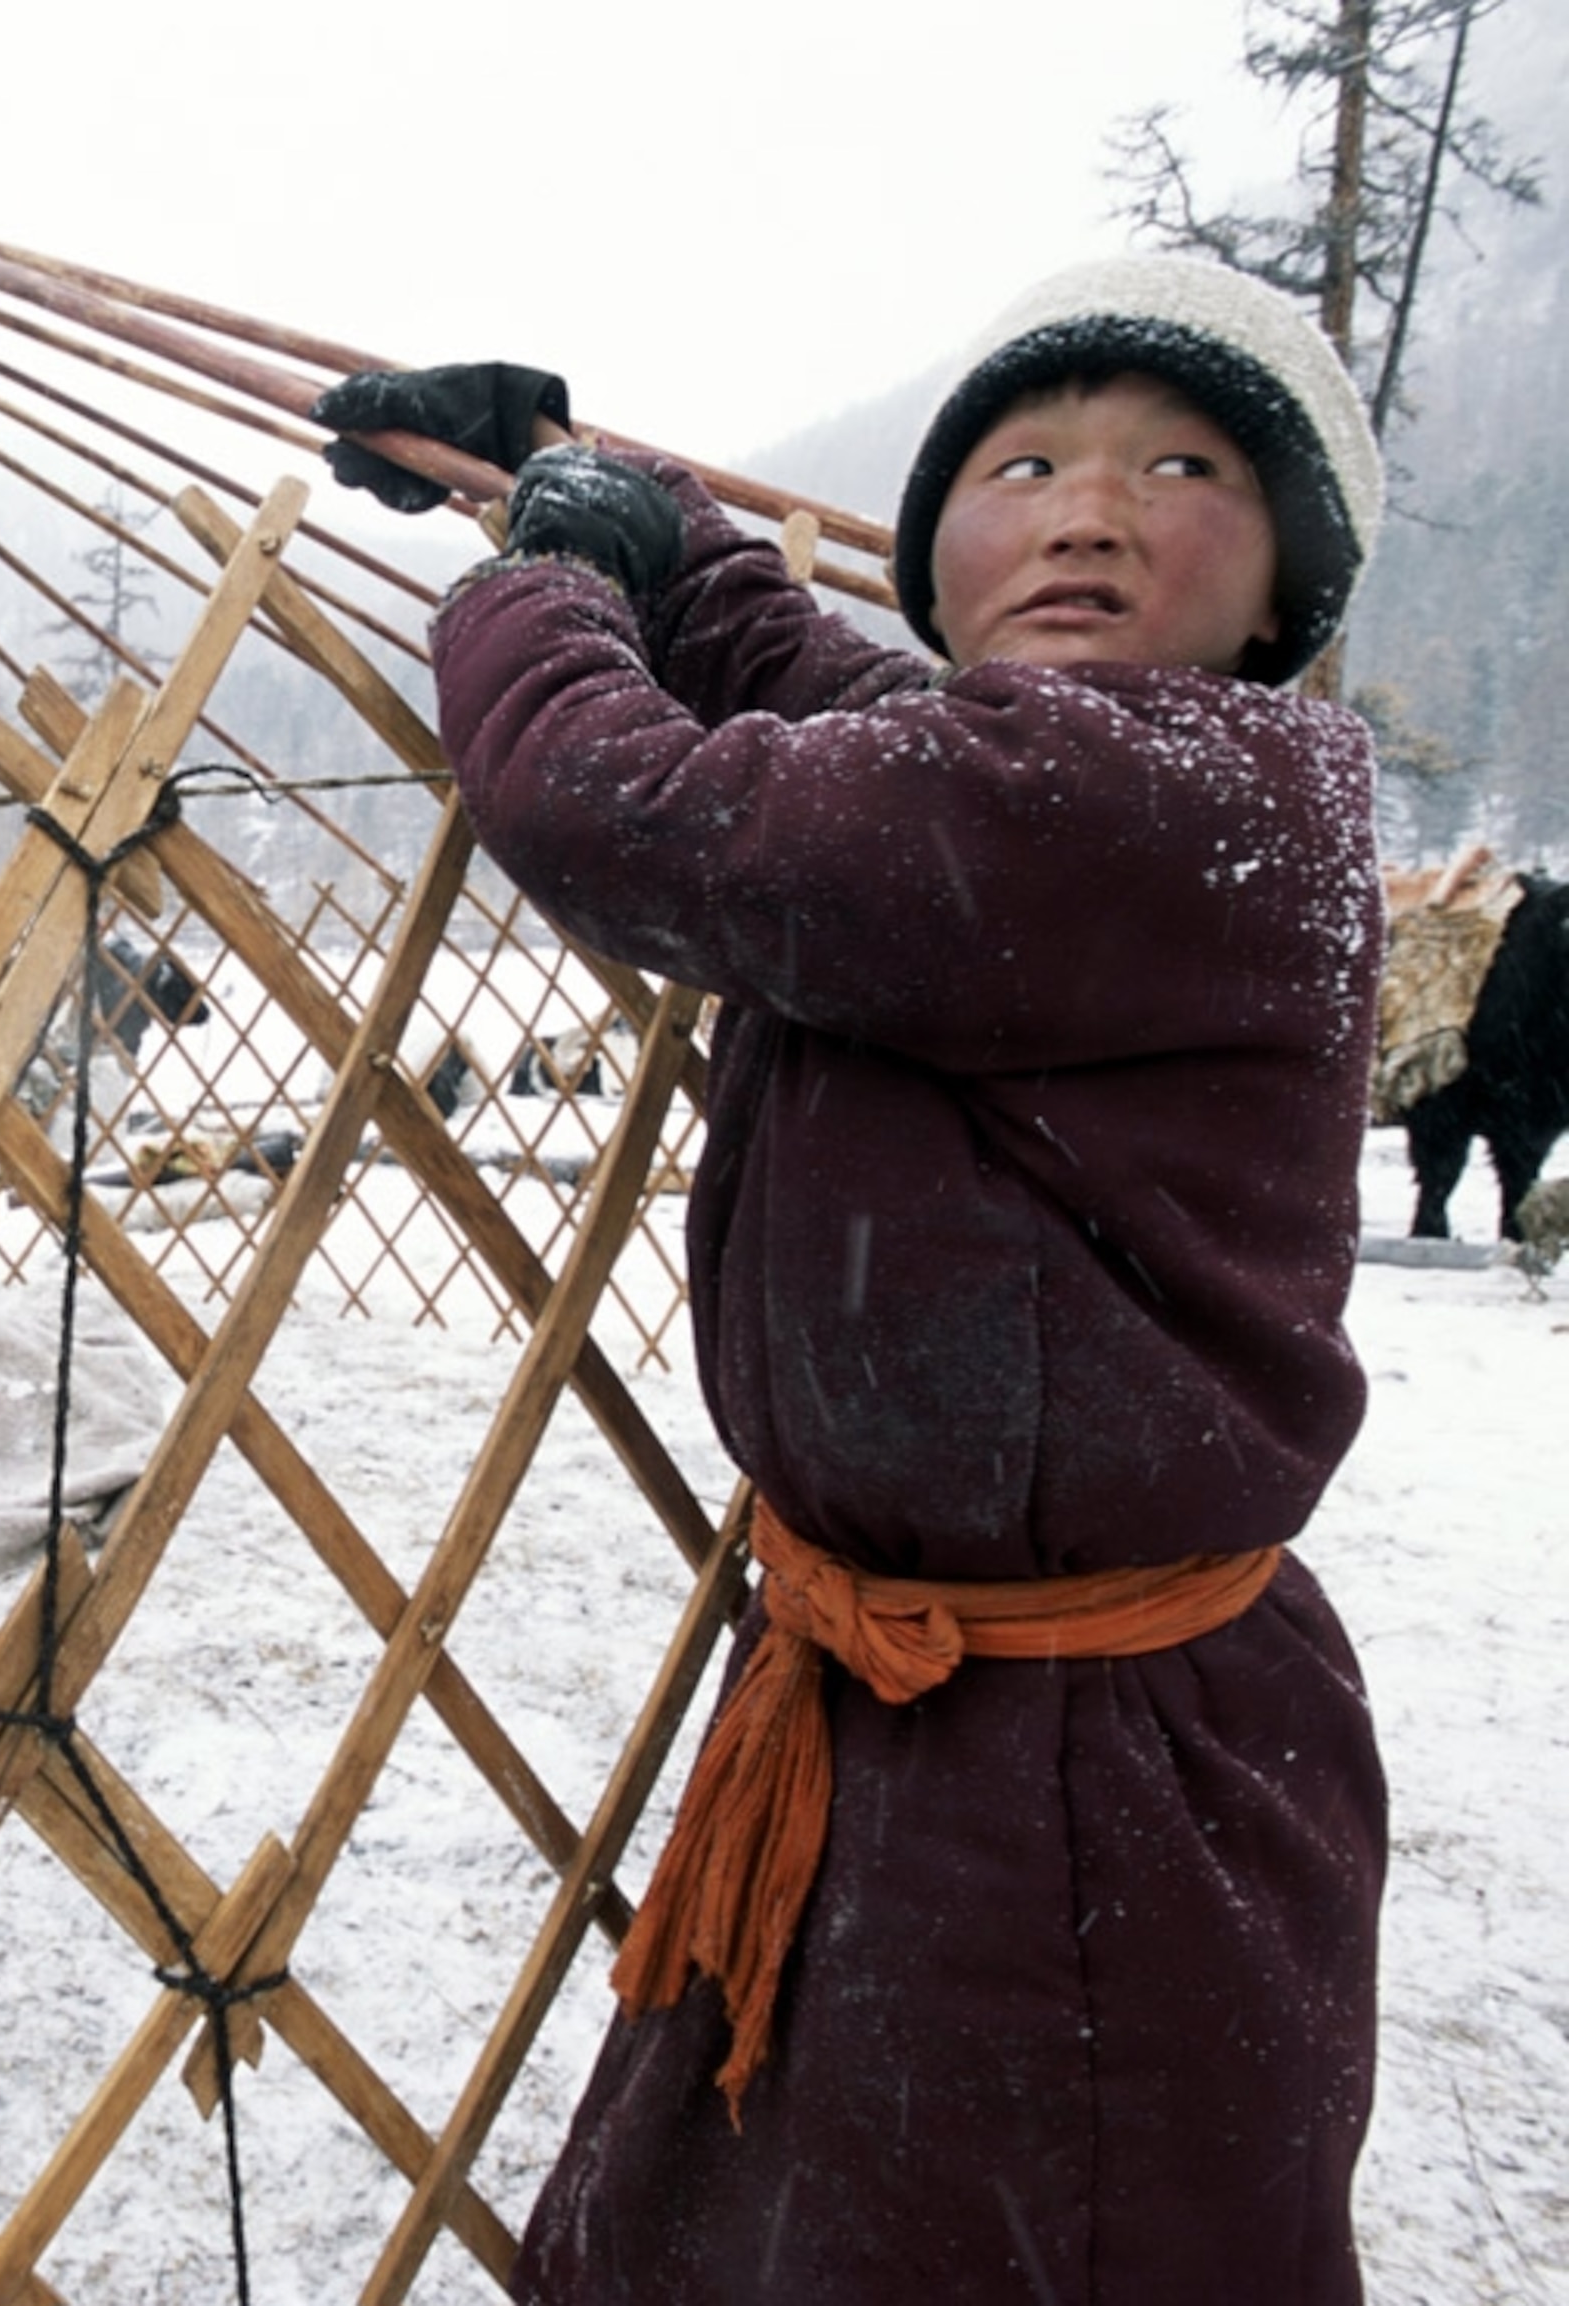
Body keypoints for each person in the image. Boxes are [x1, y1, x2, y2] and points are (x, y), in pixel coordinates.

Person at [315, 254, 1389, 2302]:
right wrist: (587, 474)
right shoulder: (1030, 779)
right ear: (940, 547)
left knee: (1016, 2239)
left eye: (1181, 467)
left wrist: (536, 587)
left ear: (1278, 599)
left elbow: (639, 812)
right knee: (820, 2219)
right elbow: (811, 682)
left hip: (1087, 1774)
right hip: (944, 1710)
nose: (1086, 505)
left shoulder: (1172, 796)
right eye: (1025, 461)